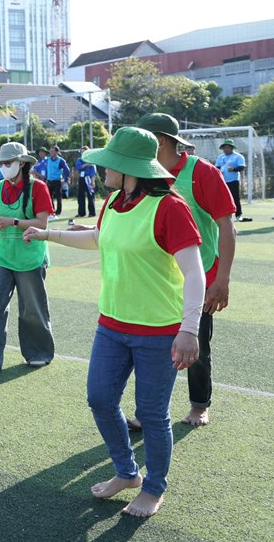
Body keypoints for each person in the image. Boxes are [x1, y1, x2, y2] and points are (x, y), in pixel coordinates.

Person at [22, 126, 204, 518]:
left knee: (152, 414)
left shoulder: (171, 208)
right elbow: (98, 238)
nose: (102, 169)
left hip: (159, 331)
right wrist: (47, 235)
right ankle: (127, 473)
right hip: (112, 325)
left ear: (129, 169)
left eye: (110, 164)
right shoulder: (113, 200)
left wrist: (189, 329)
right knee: (100, 398)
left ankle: (154, 488)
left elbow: (194, 273)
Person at [136, 113, 237, 427]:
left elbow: (226, 226)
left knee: (196, 345)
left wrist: (222, 280)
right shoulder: (143, 174)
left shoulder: (201, 172)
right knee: (152, 346)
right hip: (158, 279)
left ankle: (198, 405)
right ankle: (149, 412)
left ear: (161, 142)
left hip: (201, 276)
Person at [0, 142, 54, 372]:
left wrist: (12, 222)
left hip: (30, 258)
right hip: (3, 256)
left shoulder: (38, 188)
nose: (3, 167)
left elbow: (42, 223)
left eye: (8, 163)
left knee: (32, 308)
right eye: (1, 163)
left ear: (22, 163)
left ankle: (38, 353)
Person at [215, 138, 251, 222]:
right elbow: (217, 167)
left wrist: (233, 169)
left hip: (233, 181)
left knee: (235, 198)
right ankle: (223, 216)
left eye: (228, 147)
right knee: (222, 198)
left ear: (232, 148)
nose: (226, 149)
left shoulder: (238, 156)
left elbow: (241, 167)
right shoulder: (220, 157)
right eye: (224, 147)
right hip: (222, 181)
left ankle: (239, 215)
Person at [44, 145, 70, 217]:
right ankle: (51, 211)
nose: (51, 152)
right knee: (49, 197)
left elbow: (67, 170)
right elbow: (47, 170)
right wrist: (45, 179)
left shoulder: (61, 160)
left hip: (57, 181)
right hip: (49, 181)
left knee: (58, 197)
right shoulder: (48, 160)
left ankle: (58, 212)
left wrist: (65, 179)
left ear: (56, 152)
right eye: (50, 151)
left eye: (52, 151)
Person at [74, 145, 97, 218]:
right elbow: (78, 167)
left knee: (90, 196)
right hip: (82, 178)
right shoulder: (79, 159)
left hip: (89, 178)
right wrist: (86, 165)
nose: (82, 153)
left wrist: (93, 181)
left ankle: (92, 212)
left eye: (83, 151)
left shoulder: (91, 159)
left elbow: (93, 171)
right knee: (80, 196)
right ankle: (81, 213)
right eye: (81, 151)